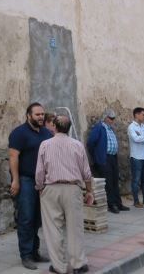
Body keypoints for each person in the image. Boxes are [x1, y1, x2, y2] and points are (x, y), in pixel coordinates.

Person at [35, 116, 92, 274]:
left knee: (53, 228)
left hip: (51, 188)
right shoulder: (77, 145)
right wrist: (89, 191)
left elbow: (40, 171)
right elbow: (86, 172)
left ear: (54, 126)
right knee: (75, 227)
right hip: (73, 188)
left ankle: (58, 266)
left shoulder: (45, 145)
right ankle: (78, 264)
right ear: (69, 127)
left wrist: (40, 187)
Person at [8, 102, 53, 269]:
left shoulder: (46, 133)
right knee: (26, 218)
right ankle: (26, 255)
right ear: (29, 116)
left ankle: (35, 252)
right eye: (37, 115)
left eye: (42, 114)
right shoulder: (19, 133)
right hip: (26, 180)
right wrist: (15, 180)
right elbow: (13, 157)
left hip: (43, 182)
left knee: (37, 219)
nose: (41, 117)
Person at [86, 110, 129, 214]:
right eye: (110, 118)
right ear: (105, 117)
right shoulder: (99, 127)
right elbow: (90, 142)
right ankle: (111, 205)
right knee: (108, 182)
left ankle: (118, 203)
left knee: (115, 180)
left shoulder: (110, 129)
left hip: (113, 157)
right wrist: (96, 155)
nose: (112, 120)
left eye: (113, 118)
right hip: (104, 158)